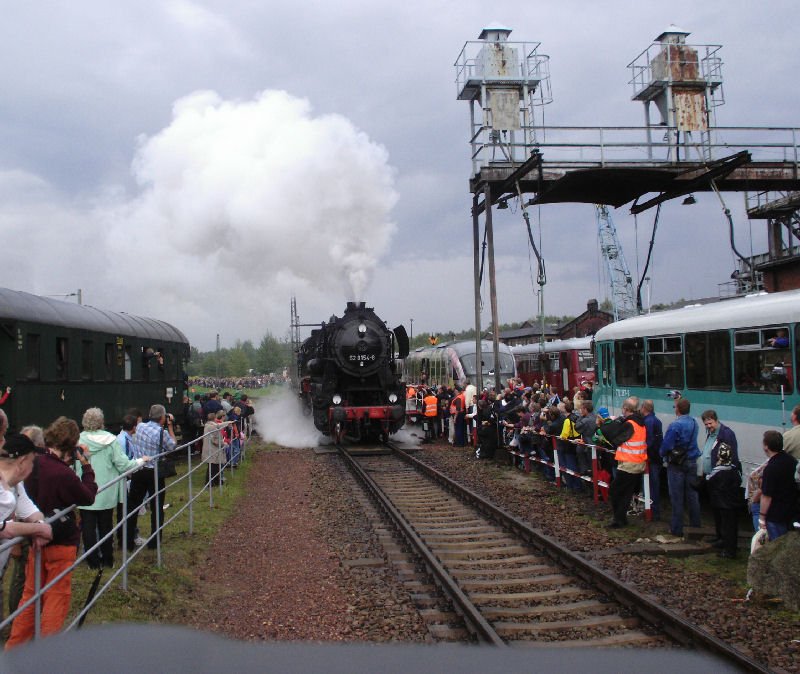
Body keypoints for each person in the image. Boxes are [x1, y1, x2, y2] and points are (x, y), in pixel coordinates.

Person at [5, 418, 97, 648]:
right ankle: (47, 652)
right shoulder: (63, 474)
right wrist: (86, 466)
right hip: (61, 542)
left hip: (36, 542)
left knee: (30, 596)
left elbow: (26, 501)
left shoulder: (35, 464)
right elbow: (88, 496)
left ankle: (15, 648)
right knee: (56, 597)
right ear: (72, 444)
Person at [78, 408, 149, 568]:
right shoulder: (110, 440)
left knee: (88, 528)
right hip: (106, 490)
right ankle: (108, 559)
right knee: (106, 526)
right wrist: (140, 462)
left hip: (84, 489)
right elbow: (124, 464)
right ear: (101, 421)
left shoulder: (78, 440)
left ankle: (92, 561)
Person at [0, 432, 53, 619]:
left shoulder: (15, 485)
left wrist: (38, 523)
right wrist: (40, 529)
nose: (33, 467)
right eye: (32, 462)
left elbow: (29, 509)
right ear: (22, 462)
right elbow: (3, 529)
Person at [126, 405, 176, 550]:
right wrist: (171, 426)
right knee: (157, 507)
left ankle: (128, 540)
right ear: (162, 418)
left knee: (133, 506)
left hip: (139, 469)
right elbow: (172, 446)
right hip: (154, 473)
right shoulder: (162, 432)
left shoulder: (140, 426)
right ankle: (154, 542)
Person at [660, 397, 701, 537]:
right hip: (692, 461)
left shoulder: (675, 425)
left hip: (676, 463)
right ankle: (696, 527)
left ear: (677, 409)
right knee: (692, 495)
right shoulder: (695, 423)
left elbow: (667, 445)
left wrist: (662, 454)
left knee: (677, 496)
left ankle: (677, 528)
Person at [699, 410, 739, 543]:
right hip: (712, 476)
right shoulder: (711, 434)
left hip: (721, 478)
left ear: (716, 420)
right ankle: (719, 535)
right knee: (715, 508)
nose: (708, 426)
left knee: (723, 510)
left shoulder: (726, 434)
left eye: (710, 423)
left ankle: (724, 538)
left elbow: (731, 456)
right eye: (706, 424)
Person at [607, 398, 647, 529]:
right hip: (638, 462)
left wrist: (615, 422)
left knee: (615, 491)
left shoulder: (629, 424)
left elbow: (614, 438)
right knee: (627, 492)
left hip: (628, 463)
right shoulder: (641, 423)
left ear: (626, 409)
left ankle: (618, 519)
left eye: (623, 408)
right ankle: (621, 519)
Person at [758, 430, 798, 540]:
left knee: (775, 544)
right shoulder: (791, 460)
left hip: (775, 514)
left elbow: (767, 496)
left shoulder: (771, 468)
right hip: (790, 510)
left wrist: (762, 517)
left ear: (766, 447)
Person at [705, 443, 742, 559]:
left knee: (726, 527)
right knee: (732, 528)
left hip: (723, 503)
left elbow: (709, 482)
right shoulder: (735, 469)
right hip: (734, 503)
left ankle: (729, 551)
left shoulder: (718, 471)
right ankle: (731, 547)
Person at [640, 400, 663, 521]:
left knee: (650, 485)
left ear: (644, 408)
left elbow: (648, 441)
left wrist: (642, 452)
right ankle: (654, 509)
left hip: (651, 458)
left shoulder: (648, 422)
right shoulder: (657, 420)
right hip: (657, 457)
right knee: (654, 484)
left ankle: (652, 510)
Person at [202, 411, 228, 485]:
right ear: (214, 418)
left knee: (213, 466)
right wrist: (223, 444)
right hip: (212, 449)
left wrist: (227, 423)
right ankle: (211, 482)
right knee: (214, 467)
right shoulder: (213, 427)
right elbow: (216, 440)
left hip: (209, 448)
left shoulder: (207, 425)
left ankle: (215, 481)